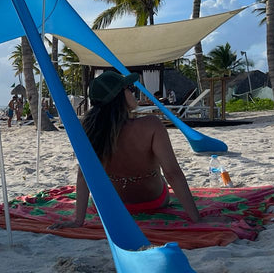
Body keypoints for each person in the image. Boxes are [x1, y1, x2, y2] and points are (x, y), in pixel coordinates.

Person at [53, 71, 200, 228]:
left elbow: (84, 176)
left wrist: (78, 221)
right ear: (119, 96)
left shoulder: (91, 129)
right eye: (129, 88)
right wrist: (197, 220)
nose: (133, 92)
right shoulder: (151, 125)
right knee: (160, 177)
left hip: (109, 206)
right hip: (153, 202)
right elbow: (172, 173)